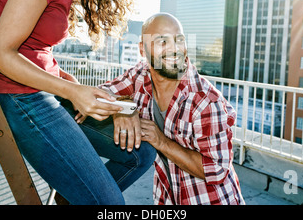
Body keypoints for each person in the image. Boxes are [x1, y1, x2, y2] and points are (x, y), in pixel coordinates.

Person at [0, 0, 155, 205]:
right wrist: (72, 91)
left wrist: (63, 77)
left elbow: (34, 49)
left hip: (41, 91)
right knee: (109, 205)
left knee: (141, 153)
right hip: (22, 98)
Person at [99, 13, 245, 205]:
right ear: (142, 49)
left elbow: (216, 169)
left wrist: (161, 141)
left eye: (179, 40)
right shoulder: (140, 75)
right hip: (167, 198)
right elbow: (102, 93)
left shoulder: (206, 101)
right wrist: (123, 109)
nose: (174, 49)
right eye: (162, 41)